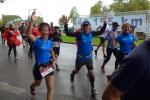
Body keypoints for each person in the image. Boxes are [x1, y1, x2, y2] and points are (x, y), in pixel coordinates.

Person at [63, 16, 107, 98]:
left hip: (89, 58)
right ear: (82, 28)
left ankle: (92, 89)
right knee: (76, 71)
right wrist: (66, 24)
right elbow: (68, 34)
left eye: (87, 27)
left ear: (89, 27)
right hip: (80, 58)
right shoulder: (79, 34)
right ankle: (72, 74)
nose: (85, 28)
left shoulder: (92, 33)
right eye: (84, 27)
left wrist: (105, 23)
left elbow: (101, 31)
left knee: (91, 73)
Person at [27, 11, 56, 100]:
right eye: (43, 30)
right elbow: (28, 34)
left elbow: (51, 50)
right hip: (39, 67)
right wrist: (31, 21)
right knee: (38, 83)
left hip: (47, 65)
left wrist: (54, 59)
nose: (45, 31)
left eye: (46, 30)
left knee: (50, 88)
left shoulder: (49, 42)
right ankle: (32, 86)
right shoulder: (37, 41)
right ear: (40, 31)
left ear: (48, 31)